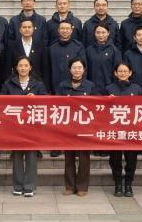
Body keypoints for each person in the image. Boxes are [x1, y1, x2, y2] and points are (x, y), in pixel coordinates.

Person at [1, 56, 47, 197]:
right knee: (17, 156)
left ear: (30, 67)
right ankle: (18, 185)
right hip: (15, 125)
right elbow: (1, 102)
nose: (23, 68)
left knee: (31, 156)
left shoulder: (38, 84)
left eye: (26, 65)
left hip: (32, 126)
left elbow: (46, 102)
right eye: (20, 65)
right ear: (16, 67)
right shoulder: (8, 84)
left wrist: (36, 99)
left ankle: (29, 186)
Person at [55, 57, 96, 196]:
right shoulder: (62, 85)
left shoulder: (90, 86)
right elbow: (57, 104)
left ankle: (82, 186)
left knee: (84, 158)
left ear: (84, 70)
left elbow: (96, 105)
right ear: (70, 69)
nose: (77, 70)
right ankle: (69, 186)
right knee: (69, 157)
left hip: (85, 127)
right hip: (68, 126)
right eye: (74, 67)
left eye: (79, 67)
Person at [103, 62, 142, 197]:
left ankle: (129, 184)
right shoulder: (109, 89)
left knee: (131, 159)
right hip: (114, 130)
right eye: (120, 71)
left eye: (125, 71)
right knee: (115, 159)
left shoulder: (137, 89)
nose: (123, 73)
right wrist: (107, 101)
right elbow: (102, 110)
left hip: (132, 130)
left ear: (130, 73)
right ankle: (118, 183)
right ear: (115, 73)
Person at [46, 20, 85, 92]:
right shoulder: (52, 47)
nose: (65, 31)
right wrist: (48, 88)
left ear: (71, 30)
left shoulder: (78, 47)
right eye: (62, 28)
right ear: (58, 30)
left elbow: (84, 68)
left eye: (67, 28)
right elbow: (48, 69)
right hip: (56, 87)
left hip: (74, 87)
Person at [85, 21, 121, 90]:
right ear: (94, 33)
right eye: (98, 32)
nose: (100, 35)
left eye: (103, 32)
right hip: (92, 88)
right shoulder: (88, 50)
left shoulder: (114, 50)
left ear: (108, 33)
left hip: (109, 88)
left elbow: (117, 71)